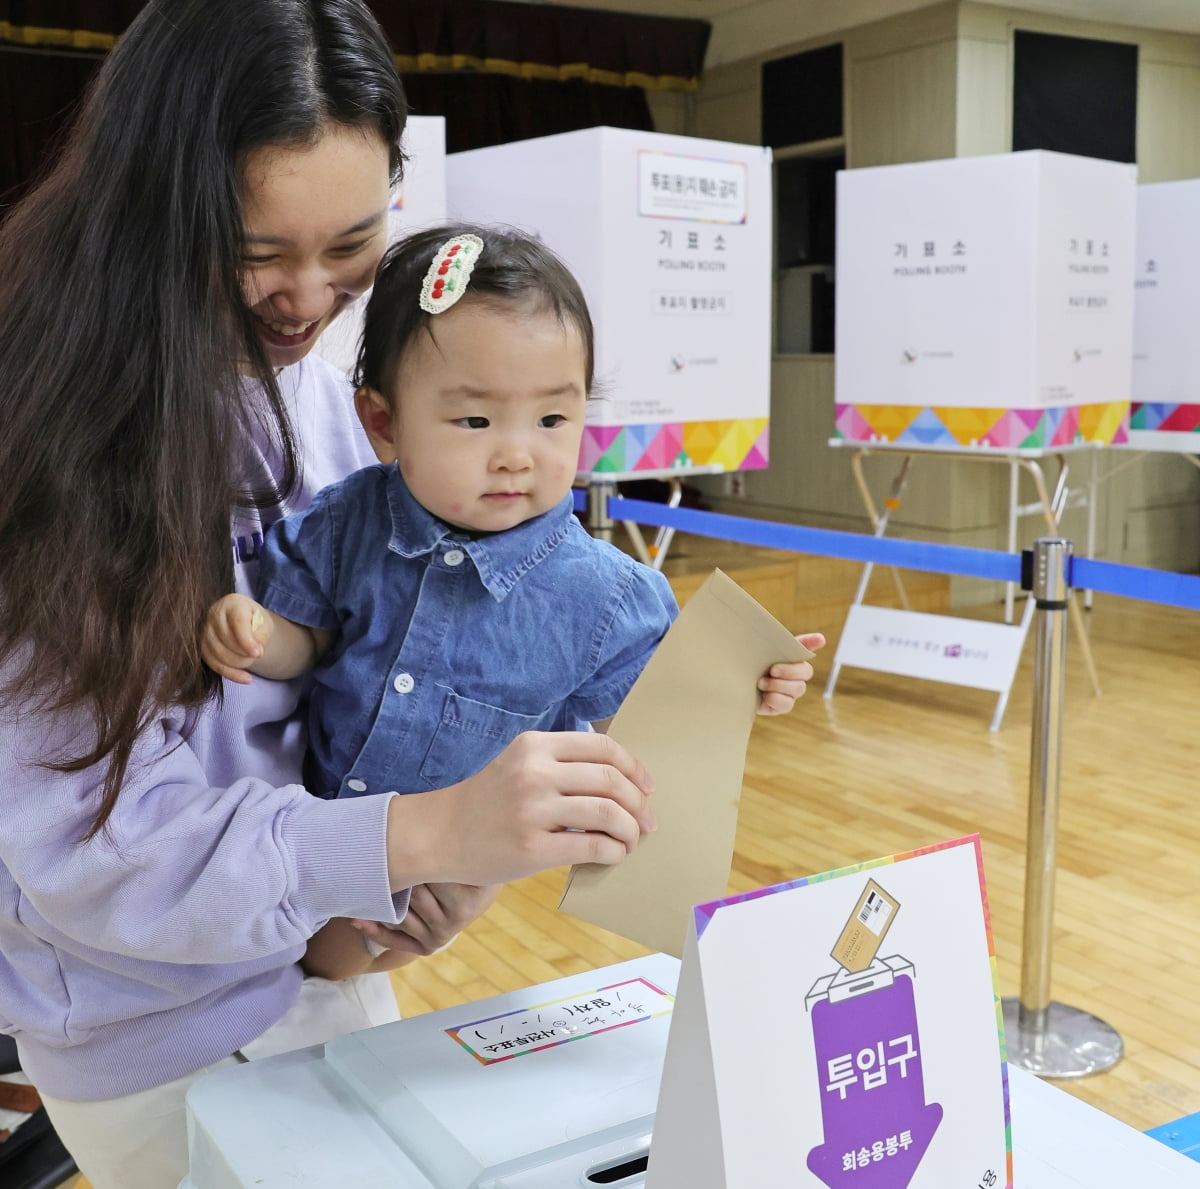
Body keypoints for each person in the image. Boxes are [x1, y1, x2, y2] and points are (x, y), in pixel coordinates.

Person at [0, 3, 753, 1187]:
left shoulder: (334, 380)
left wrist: (440, 865)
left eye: (351, 244)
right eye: (254, 252)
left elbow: (431, 638)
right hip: (149, 1019)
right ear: (152, 206)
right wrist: (426, 831)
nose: (305, 298)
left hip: (327, 949)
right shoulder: (51, 432)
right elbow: (98, 853)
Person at [201, 225, 823, 978]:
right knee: (273, 966)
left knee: (336, 972)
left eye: (552, 419)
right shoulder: (347, 521)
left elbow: (656, 724)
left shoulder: (605, 594)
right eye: (475, 420)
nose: (517, 453)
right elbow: (314, 641)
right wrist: (259, 634)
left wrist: (742, 687)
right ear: (384, 423)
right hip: (314, 825)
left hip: (441, 871)